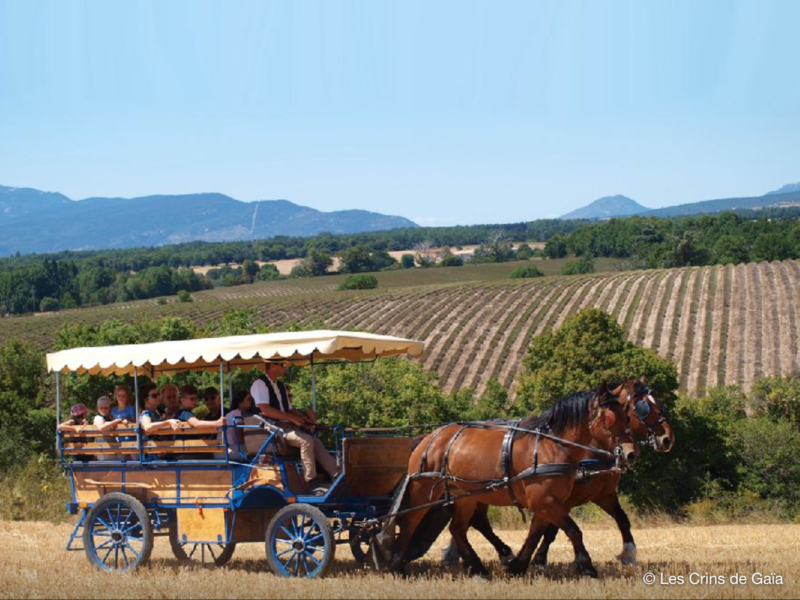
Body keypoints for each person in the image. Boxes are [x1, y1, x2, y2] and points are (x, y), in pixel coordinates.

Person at [250, 362, 338, 494]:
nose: (286, 367)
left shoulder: (280, 385)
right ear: (273, 366)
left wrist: (303, 419)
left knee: (316, 442)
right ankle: (311, 482)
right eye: (283, 364)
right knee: (306, 440)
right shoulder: (260, 384)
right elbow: (265, 410)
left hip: (285, 426)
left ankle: (338, 475)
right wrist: (291, 418)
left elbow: (289, 408)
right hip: (271, 429)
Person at [220, 390, 253, 460]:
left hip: (224, 450)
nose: (251, 401)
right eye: (248, 399)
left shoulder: (234, 413)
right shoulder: (237, 414)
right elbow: (238, 437)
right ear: (240, 402)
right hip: (229, 450)